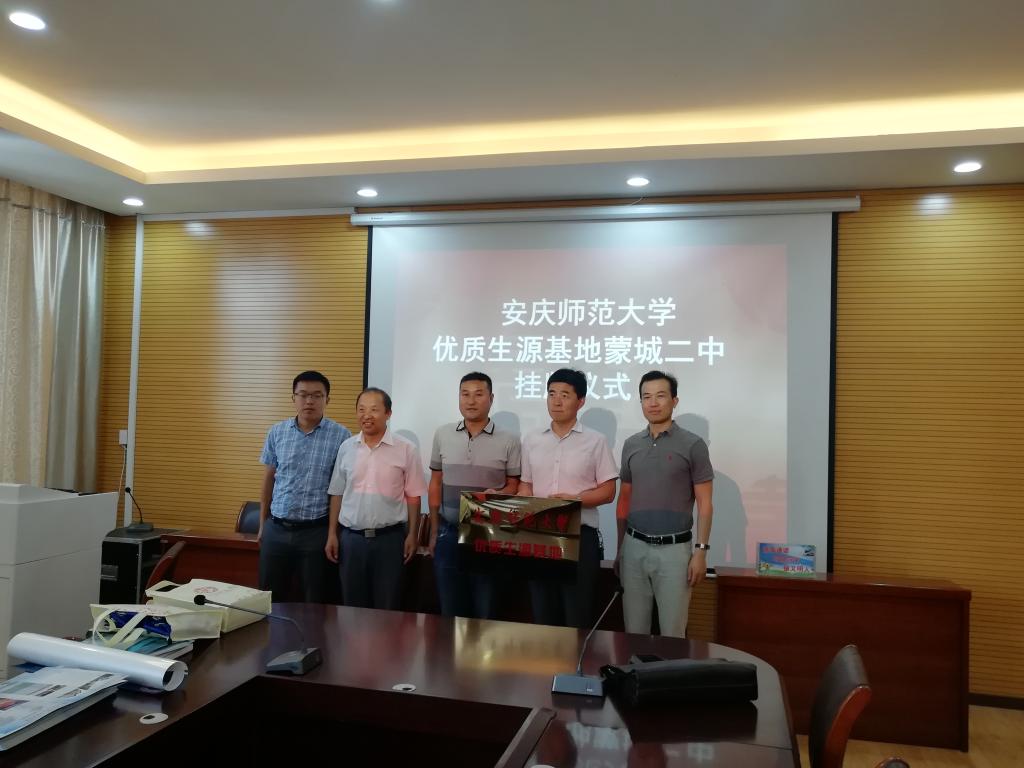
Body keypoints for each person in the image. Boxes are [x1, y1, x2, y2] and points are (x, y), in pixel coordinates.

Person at [615, 370, 714, 638]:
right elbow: (624, 500)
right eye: (646, 397)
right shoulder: (631, 444)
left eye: (660, 396)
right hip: (634, 547)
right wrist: (621, 548)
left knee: (673, 634)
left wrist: (701, 552)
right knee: (634, 632)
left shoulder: (693, 444)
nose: (653, 403)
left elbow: (705, 503)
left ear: (674, 400)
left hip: (675, 551)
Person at [519, 368, 617, 628]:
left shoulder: (596, 441)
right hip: (538, 535)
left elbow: (608, 491)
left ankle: (574, 657)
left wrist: (574, 501)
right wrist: (521, 501)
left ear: (580, 401)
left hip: (579, 536)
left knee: (576, 615)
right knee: (542, 614)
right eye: (552, 394)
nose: (557, 401)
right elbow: (526, 484)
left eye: (565, 395)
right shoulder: (531, 440)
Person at [427, 372, 521, 618]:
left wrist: (497, 494)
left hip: (488, 534)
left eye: (478, 394)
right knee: (450, 610)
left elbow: (514, 486)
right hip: (448, 533)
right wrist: (434, 530)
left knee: (485, 611)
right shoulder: (443, 434)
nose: (471, 401)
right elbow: (435, 483)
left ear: (491, 398)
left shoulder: (509, 440)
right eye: (465, 394)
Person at [325, 387, 426, 610]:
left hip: (389, 540)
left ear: (388, 413)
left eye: (374, 410)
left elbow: (413, 496)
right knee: (352, 607)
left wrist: (412, 534)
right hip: (351, 540)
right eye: (361, 409)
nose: (366, 415)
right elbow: (337, 492)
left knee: (387, 607)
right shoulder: (346, 448)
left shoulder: (406, 449)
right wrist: (332, 533)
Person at [258, 371, 351, 603]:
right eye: (303, 395)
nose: (309, 401)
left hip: (316, 532)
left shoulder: (342, 436)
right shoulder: (277, 432)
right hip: (276, 529)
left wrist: (333, 533)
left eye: (317, 395)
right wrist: (262, 525)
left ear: (327, 399)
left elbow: (341, 490)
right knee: (269, 598)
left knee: (316, 600)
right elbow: (269, 479)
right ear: (293, 398)